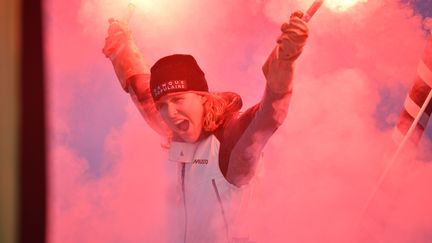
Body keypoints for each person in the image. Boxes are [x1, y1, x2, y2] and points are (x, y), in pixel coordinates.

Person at [103, 11, 309, 243]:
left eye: (179, 99)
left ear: (202, 97)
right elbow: (144, 95)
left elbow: (268, 117)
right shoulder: (179, 132)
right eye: (163, 104)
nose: (169, 113)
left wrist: (285, 64)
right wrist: (122, 47)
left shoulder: (230, 142)